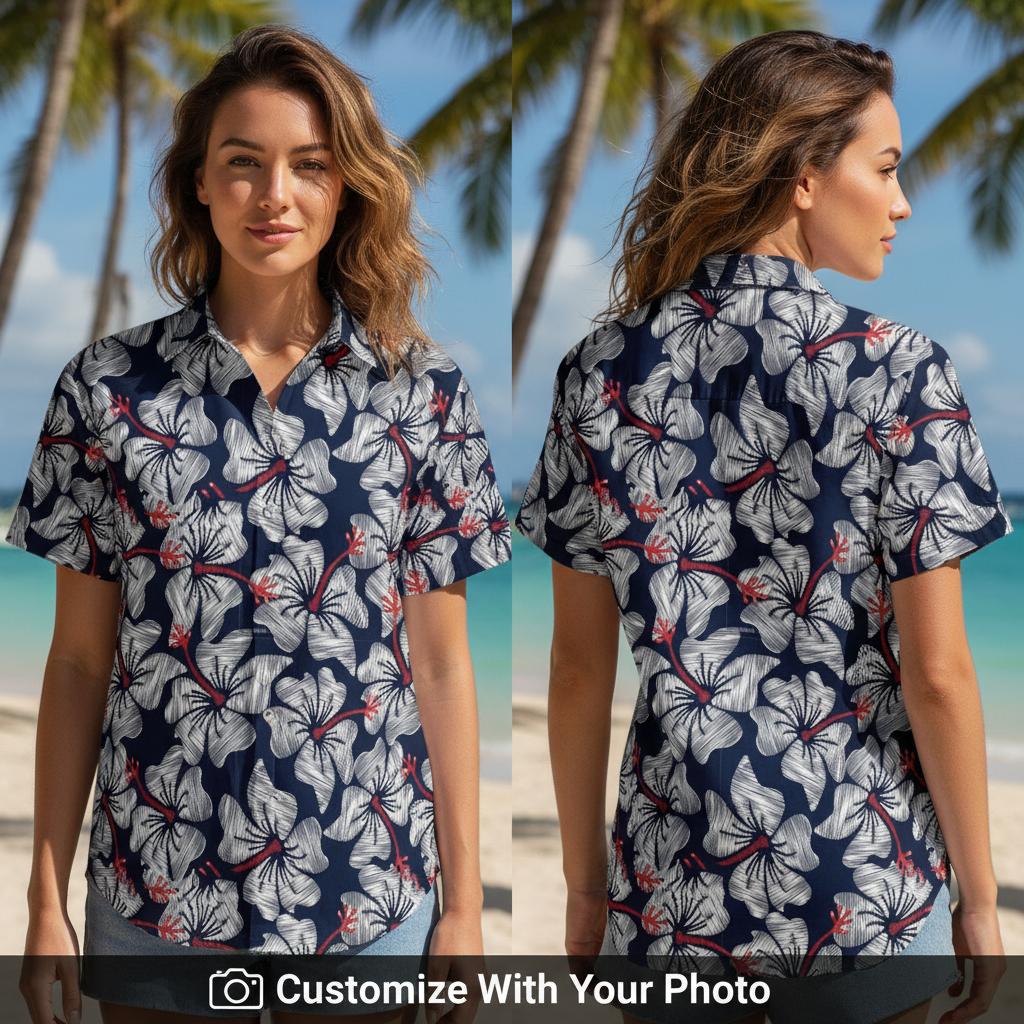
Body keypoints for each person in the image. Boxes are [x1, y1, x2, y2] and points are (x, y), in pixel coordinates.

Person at [9, 23, 511, 1023]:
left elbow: (444, 667)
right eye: (243, 165)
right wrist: (43, 901)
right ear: (200, 182)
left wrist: (462, 907)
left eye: (308, 165)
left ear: (346, 186)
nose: (274, 195)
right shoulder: (109, 389)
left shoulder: (421, 393)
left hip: (364, 888)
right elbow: (75, 665)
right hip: (157, 890)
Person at [514, 29, 1011, 1024]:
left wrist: (582, 887)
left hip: (672, 889)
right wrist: (983, 898)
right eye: (884, 169)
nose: (903, 203)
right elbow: (939, 673)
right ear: (800, 175)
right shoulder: (897, 372)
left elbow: (576, 669)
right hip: (861, 877)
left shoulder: (600, 369)